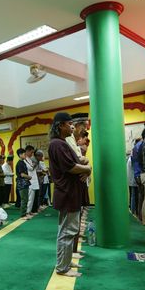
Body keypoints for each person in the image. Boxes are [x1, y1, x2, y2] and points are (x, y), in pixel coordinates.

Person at [48, 112, 92, 277]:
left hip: (69, 192)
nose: (72, 127)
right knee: (67, 231)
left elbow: (75, 162)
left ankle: (65, 261)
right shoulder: (57, 144)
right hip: (67, 193)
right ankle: (62, 267)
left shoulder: (61, 143)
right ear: (60, 125)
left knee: (67, 230)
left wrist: (84, 165)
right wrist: (87, 169)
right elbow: (70, 167)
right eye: (69, 124)